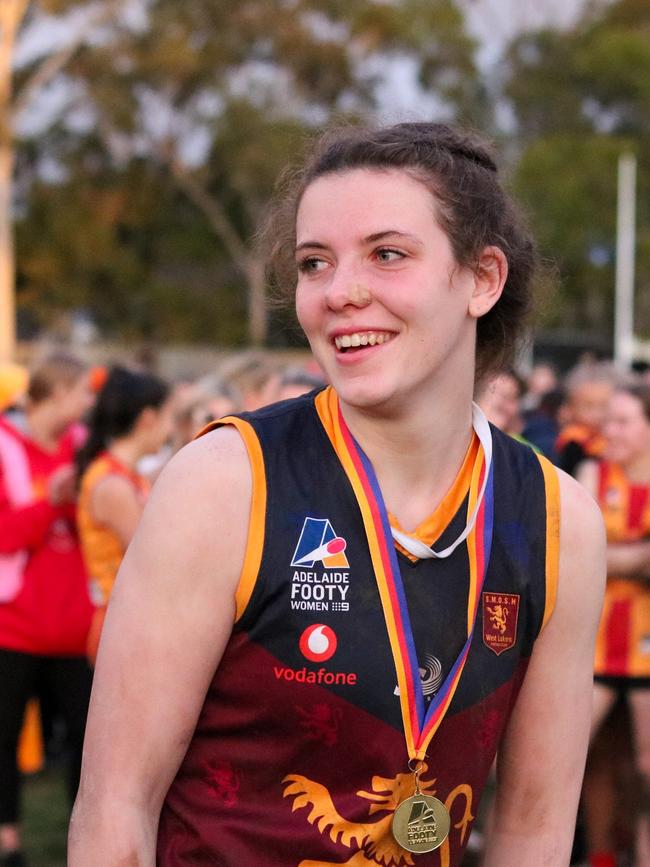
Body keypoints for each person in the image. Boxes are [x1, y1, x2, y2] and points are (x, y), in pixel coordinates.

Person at [69, 122, 605, 867]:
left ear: (483, 278)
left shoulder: (558, 520)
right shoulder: (226, 481)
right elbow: (114, 808)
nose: (340, 293)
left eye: (387, 254)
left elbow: (535, 834)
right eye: (315, 262)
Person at [0, 352, 95, 867]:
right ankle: (9, 840)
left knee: (87, 743)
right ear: (58, 392)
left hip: (75, 628)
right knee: (4, 739)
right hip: (12, 627)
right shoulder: (4, 444)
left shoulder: (82, 447)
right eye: (82, 391)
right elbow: (5, 535)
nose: (88, 402)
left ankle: (82, 841)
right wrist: (50, 502)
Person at [577, 384, 650, 867]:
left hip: (646, 649)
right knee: (584, 757)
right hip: (594, 647)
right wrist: (635, 554)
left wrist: (608, 554)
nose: (611, 430)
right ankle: (601, 855)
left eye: (623, 420)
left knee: (646, 768)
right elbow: (579, 555)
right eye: (609, 420)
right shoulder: (590, 473)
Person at [76, 366, 173, 664]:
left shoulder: (124, 476)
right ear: (147, 419)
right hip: (117, 624)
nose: (170, 428)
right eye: (169, 417)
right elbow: (152, 560)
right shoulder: (113, 485)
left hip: (125, 619)